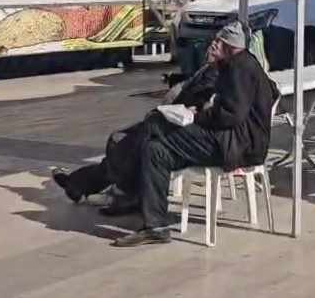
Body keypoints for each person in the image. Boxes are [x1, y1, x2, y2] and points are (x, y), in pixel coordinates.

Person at [112, 21, 276, 247]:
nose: (214, 44)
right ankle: (156, 226)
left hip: (234, 145)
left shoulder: (241, 68)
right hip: (231, 139)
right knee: (154, 150)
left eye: (219, 41)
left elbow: (231, 115)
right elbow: (264, 93)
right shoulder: (241, 65)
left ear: (230, 45)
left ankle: (122, 164)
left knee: (155, 124)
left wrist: (198, 116)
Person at [51, 48, 220, 210]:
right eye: (214, 41)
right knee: (122, 144)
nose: (213, 46)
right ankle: (87, 186)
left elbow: (198, 100)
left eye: (219, 44)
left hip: (179, 127)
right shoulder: (211, 70)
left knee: (121, 143)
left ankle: (121, 193)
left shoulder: (219, 74)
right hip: (170, 120)